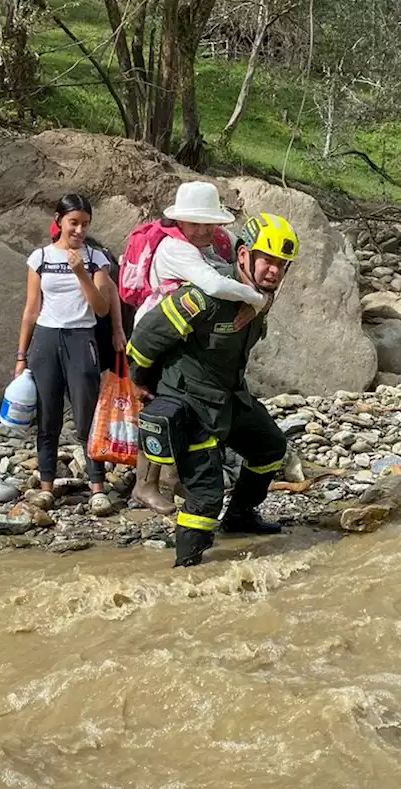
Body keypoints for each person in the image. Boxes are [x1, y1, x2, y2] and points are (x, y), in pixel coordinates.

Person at [125, 212, 300, 567]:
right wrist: (142, 383)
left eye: (282, 265)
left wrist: (257, 302)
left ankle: (240, 517)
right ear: (243, 256)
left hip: (229, 396)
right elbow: (144, 340)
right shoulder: (202, 297)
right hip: (190, 404)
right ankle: (187, 569)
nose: (274, 271)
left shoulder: (258, 296)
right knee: (205, 497)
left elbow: (259, 298)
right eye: (267, 260)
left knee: (270, 448)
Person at [127, 181, 270, 515]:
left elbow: (249, 261)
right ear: (181, 222)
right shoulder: (175, 249)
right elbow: (213, 283)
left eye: (209, 222)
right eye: (196, 223)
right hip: (162, 332)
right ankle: (145, 484)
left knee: (182, 413)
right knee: (161, 407)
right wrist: (256, 299)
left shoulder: (215, 242)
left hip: (190, 332)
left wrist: (265, 296)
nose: (204, 229)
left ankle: (175, 479)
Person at [15, 194, 125, 516]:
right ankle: (46, 486)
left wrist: (81, 274)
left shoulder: (96, 259)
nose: (79, 229)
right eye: (73, 222)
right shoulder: (40, 258)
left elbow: (102, 307)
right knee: (47, 416)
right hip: (46, 340)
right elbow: (31, 309)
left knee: (86, 417)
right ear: (59, 220)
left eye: (85, 224)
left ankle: (97, 487)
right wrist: (21, 355)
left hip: (82, 338)